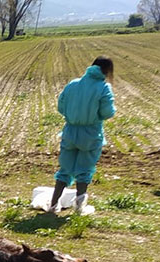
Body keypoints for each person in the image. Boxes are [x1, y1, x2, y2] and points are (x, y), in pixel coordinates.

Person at [49, 56, 115, 215]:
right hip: (91, 133)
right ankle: (79, 207)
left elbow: (61, 106)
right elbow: (107, 112)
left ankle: (53, 205)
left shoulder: (73, 84)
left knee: (65, 169)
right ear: (106, 71)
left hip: (70, 132)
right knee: (84, 170)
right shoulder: (103, 87)